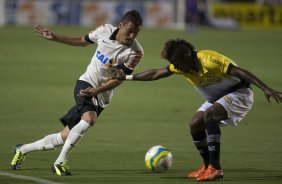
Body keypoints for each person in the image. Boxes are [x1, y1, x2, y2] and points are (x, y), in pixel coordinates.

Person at [112, 38, 282, 181]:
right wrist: (127, 77)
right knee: (195, 124)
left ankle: (216, 168)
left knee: (210, 115)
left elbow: (240, 71)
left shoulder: (209, 59)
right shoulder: (182, 64)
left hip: (239, 94)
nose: (176, 67)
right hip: (217, 98)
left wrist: (265, 88)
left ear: (187, 55)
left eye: (177, 63)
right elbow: (156, 73)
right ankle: (207, 165)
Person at [10, 10, 144, 176]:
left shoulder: (136, 52)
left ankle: (22, 149)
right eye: (129, 31)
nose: (132, 36)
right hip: (85, 83)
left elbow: (118, 79)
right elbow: (82, 40)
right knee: (89, 119)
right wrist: (55, 37)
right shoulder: (104, 30)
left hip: (101, 96)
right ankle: (60, 163)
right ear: (121, 25)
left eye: (136, 33)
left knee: (64, 137)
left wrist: (97, 91)